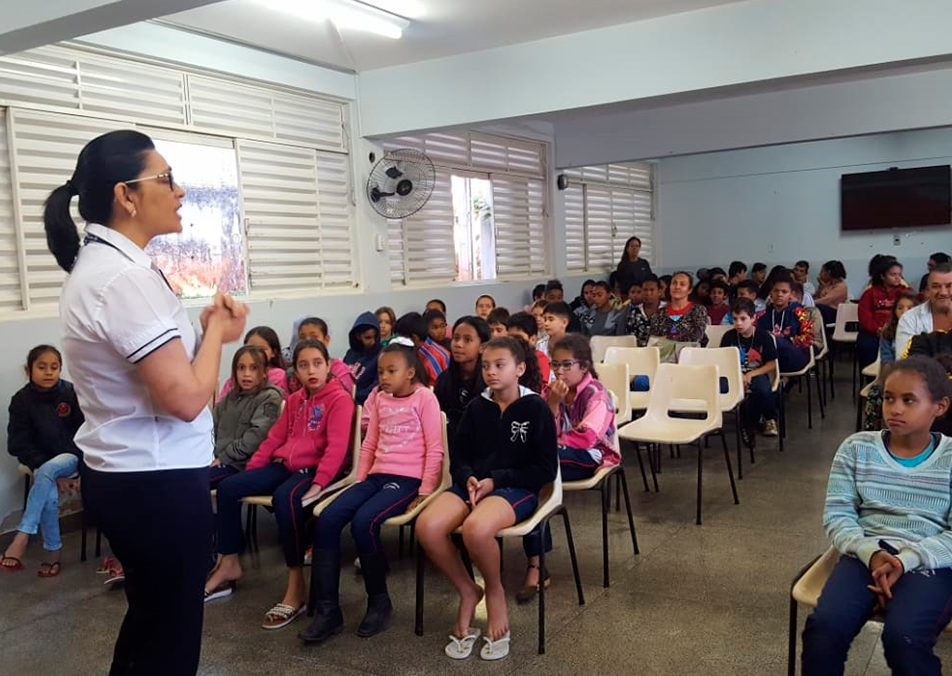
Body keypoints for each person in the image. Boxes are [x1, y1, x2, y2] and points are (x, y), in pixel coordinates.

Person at [47, 130, 248, 675]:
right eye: (166, 179)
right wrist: (216, 335)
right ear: (126, 196)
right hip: (154, 482)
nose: (179, 191)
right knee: (171, 638)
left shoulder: (105, 269)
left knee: (152, 621)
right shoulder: (122, 278)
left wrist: (205, 333)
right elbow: (185, 397)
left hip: (133, 476)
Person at [801, 355, 952, 676]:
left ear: (939, 407)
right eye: (888, 398)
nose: (895, 408)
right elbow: (838, 516)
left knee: (904, 638)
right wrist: (872, 555)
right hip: (867, 555)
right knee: (825, 628)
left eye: (909, 400)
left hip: (930, 561)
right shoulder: (857, 448)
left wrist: (905, 560)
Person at [415, 337, 557, 661]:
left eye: (499, 365)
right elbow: (460, 455)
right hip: (475, 485)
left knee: (476, 529)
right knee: (428, 526)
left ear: (520, 369)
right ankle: (468, 590)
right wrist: (468, 477)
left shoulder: (535, 407)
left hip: (516, 489)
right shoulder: (477, 407)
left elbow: (545, 468)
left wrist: (499, 480)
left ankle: (493, 591)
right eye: (486, 366)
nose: (491, 372)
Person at [204, 339, 355, 630]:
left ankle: (296, 585)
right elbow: (274, 439)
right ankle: (229, 563)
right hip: (284, 465)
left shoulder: (339, 399)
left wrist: (320, 482)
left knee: (286, 500)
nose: (311, 370)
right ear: (294, 371)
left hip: (317, 471)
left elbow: (336, 448)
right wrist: (251, 472)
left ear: (327, 365)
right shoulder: (296, 400)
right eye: (302, 365)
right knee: (229, 487)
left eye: (317, 363)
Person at [300, 342, 443, 644]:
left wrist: (426, 489)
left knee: (365, 522)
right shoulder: (379, 398)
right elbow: (369, 442)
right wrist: (359, 481)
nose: (384, 377)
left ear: (411, 373)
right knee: (327, 519)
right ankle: (328, 611)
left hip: (406, 480)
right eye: (381, 371)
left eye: (392, 371)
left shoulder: (425, 399)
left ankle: (379, 601)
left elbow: (435, 448)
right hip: (375, 477)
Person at [518, 334, 618, 603]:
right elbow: (539, 429)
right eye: (555, 365)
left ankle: (536, 565)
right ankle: (536, 561)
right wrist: (551, 404)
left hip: (591, 457)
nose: (559, 371)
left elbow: (586, 438)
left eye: (566, 365)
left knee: (534, 466)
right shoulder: (554, 391)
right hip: (557, 455)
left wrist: (547, 444)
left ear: (584, 366)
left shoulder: (596, 394)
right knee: (533, 473)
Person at [2, 345, 85, 576]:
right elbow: (18, 444)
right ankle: (52, 553)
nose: (49, 372)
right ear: (29, 370)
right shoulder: (20, 400)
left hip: (71, 458)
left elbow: (85, 434)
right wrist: (49, 469)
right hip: (42, 465)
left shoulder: (71, 393)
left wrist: (71, 469)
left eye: (54, 367)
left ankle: (23, 535)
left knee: (46, 472)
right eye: (42, 367)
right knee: (46, 483)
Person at [210, 346, 284, 486]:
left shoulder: (270, 397)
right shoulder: (231, 397)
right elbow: (211, 426)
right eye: (241, 368)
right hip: (216, 458)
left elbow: (255, 437)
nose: (246, 374)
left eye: (254, 368)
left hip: (240, 464)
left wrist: (223, 458)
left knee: (195, 485)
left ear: (264, 372)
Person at [720, 299, 779, 442]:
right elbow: (723, 362)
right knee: (717, 387)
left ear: (753, 318)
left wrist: (750, 374)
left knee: (763, 390)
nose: (738, 323)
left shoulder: (764, 337)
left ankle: (749, 422)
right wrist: (739, 375)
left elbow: (772, 365)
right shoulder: (729, 337)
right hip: (733, 374)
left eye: (743, 319)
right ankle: (715, 421)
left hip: (757, 373)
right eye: (735, 319)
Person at [434, 316, 490, 445]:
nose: (459, 344)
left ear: (482, 347)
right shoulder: (443, 380)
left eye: (468, 340)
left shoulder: (490, 380)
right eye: (456, 338)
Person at [756, 274, 814, 372]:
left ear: (791, 294)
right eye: (776, 291)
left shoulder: (800, 313)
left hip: (794, 356)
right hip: (769, 358)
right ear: (770, 293)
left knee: (774, 341)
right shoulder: (761, 316)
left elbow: (808, 339)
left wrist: (780, 340)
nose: (779, 294)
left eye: (784, 292)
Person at [858, 257, 906, 368]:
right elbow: (864, 316)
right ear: (882, 276)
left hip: (899, 330)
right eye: (893, 274)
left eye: (899, 274)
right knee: (866, 345)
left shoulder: (906, 292)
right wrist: (877, 329)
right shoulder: (870, 293)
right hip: (874, 332)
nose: (897, 278)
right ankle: (871, 379)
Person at [896, 263, 952, 357]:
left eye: (949, 286)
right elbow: (904, 364)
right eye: (936, 286)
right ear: (927, 291)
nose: (943, 292)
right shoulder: (909, 319)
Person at [290, 318, 356, 396]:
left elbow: (345, 399)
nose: (308, 341)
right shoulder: (293, 371)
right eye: (302, 338)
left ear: (326, 340)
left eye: (314, 337)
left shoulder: (340, 370)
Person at [219, 327, 288, 399]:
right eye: (250, 348)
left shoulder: (279, 376)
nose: (254, 353)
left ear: (274, 352)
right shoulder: (235, 378)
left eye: (261, 349)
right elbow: (221, 403)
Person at [648, 271, 709, 344]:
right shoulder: (659, 313)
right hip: (665, 353)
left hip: (692, 353)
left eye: (682, 284)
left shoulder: (698, 310)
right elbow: (654, 339)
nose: (677, 287)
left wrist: (667, 338)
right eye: (674, 283)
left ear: (689, 290)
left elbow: (696, 337)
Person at [395, 311, 450, 382]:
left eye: (401, 339)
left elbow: (437, 390)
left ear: (414, 338)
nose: (398, 342)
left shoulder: (433, 359)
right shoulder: (419, 349)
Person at [343, 312, 381, 405]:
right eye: (368, 337)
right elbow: (341, 376)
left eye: (375, 337)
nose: (372, 341)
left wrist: (355, 398)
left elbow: (377, 384)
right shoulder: (350, 354)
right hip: (345, 400)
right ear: (358, 336)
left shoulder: (382, 354)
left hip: (367, 403)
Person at [507, 311, 552, 383]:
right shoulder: (506, 357)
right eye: (510, 338)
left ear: (533, 340)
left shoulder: (540, 359)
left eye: (518, 337)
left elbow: (541, 387)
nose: (513, 342)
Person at [879, 291, 918, 364]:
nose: (904, 312)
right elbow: (886, 359)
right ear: (894, 311)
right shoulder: (888, 331)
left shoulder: (923, 330)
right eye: (900, 308)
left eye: (910, 308)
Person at [814, 260, 849, 325]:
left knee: (818, 308)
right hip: (825, 310)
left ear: (829, 272)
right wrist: (821, 285)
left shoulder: (842, 286)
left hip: (834, 313)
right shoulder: (828, 284)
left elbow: (825, 300)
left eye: (822, 271)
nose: (820, 274)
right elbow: (818, 297)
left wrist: (809, 302)